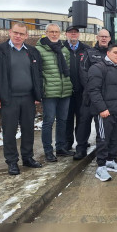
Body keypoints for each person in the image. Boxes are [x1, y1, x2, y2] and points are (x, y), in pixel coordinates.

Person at [0, 22, 43, 175]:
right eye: (15, 32)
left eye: (22, 34)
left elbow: (38, 74)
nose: (18, 36)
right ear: (9, 32)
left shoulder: (33, 51)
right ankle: (12, 162)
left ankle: (28, 158)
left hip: (28, 98)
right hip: (7, 99)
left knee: (29, 130)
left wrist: (37, 94)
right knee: (9, 132)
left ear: (26, 36)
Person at [88, 44, 117, 182]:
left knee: (116, 138)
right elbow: (93, 91)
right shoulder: (98, 68)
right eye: (115, 53)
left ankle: (110, 160)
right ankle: (100, 167)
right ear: (108, 53)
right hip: (105, 112)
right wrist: (102, 109)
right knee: (103, 139)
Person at [36, 23, 73, 162]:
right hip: (49, 92)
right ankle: (48, 151)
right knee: (48, 121)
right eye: (51, 31)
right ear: (46, 33)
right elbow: (37, 72)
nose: (54, 34)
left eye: (56, 31)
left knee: (63, 120)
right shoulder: (39, 50)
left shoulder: (64, 49)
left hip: (65, 91)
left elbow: (67, 68)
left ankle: (61, 147)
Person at [73, 29, 111, 160]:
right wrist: (93, 90)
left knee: (103, 126)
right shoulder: (88, 53)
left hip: (105, 97)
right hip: (89, 96)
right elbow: (83, 74)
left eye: (106, 37)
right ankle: (81, 148)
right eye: (102, 36)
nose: (104, 39)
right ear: (97, 37)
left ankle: (104, 151)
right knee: (84, 122)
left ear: (110, 38)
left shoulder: (111, 53)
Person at [63, 26, 90, 152]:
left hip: (82, 91)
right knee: (67, 118)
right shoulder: (61, 48)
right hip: (67, 90)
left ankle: (81, 141)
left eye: (75, 33)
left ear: (78, 35)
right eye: (70, 33)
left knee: (82, 118)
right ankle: (68, 142)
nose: (73, 34)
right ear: (66, 34)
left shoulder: (86, 49)